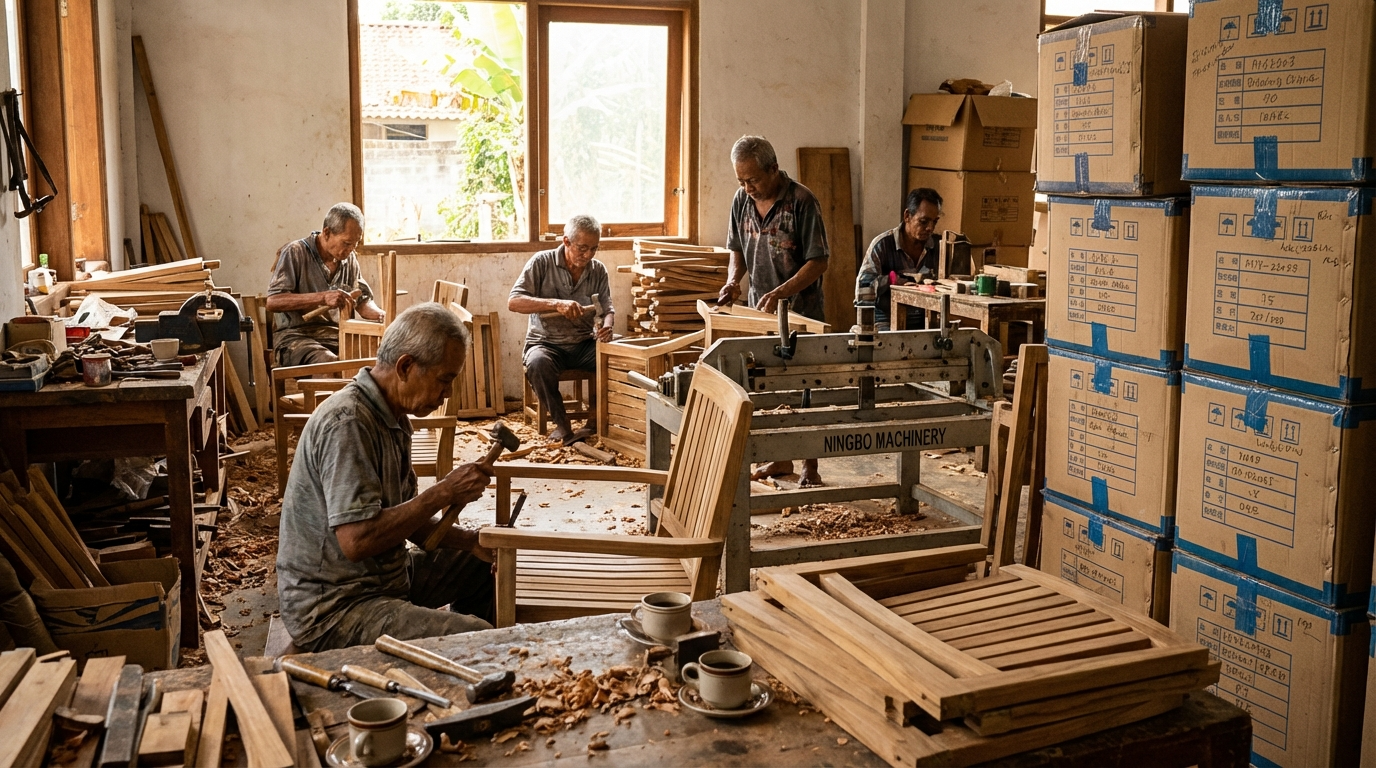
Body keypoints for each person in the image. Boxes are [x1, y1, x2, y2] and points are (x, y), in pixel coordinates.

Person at [277, 303, 495, 652]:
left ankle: (454, 666)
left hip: (384, 580)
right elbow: (358, 541)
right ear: (406, 366)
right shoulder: (348, 423)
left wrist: (469, 541)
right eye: (444, 380)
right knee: (477, 639)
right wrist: (442, 492)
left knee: (480, 565)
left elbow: (405, 520)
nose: (448, 393)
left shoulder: (392, 417)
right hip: (335, 606)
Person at [718, 135, 829, 487]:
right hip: (759, 313)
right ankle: (781, 458)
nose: (747, 187)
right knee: (765, 387)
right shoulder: (741, 200)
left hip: (800, 313)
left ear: (773, 169)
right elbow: (737, 248)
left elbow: (819, 261)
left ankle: (811, 464)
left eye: (753, 179)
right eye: (741, 181)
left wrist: (781, 292)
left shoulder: (801, 201)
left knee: (806, 390)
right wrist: (734, 281)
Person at [508, 214, 616, 445]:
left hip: (584, 342)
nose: (588, 255)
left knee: (615, 356)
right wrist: (554, 303)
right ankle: (562, 425)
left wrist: (606, 328)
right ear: (566, 242)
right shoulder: (541, 262)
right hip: (545, 343)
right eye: (582, 248)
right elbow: (514, 301)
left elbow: (607, 308)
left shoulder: (598, 270)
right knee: (537, 364)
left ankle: (594, 421)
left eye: (594, 249)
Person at [267, 202, 386, 366]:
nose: (351, 249)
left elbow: (362, 300)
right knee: (328, 362)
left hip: (336, 335)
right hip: (295, 336)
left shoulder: (349, 259)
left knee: (379, 357)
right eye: (346, 243)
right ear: (327, 232)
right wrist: (322, 297)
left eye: (355, 244)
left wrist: (383, 316)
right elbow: (273, 301)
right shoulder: (295, 252)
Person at [856, 188, 943, 331]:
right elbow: (862, 291)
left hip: (925, 322)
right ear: (907, 216)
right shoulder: (883, 245)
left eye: (934, 222)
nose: (930, 228)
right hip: (886, 320)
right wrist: (891, 281)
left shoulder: (939, 247)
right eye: (923, 221)